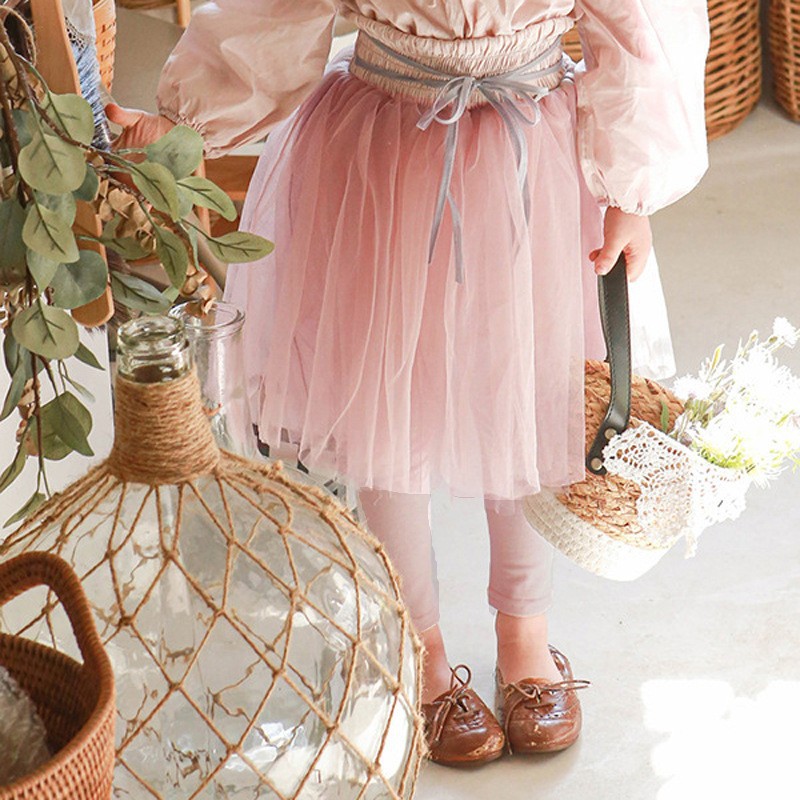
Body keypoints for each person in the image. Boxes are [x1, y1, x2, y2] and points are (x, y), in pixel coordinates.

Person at [109, 0, 709, 766]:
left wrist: (631, 189)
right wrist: (190, 119)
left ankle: (525, 633)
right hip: (382, 149)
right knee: (383, 404)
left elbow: (635, 19)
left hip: (535, 153)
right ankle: (421, 648)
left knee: (528, 400)